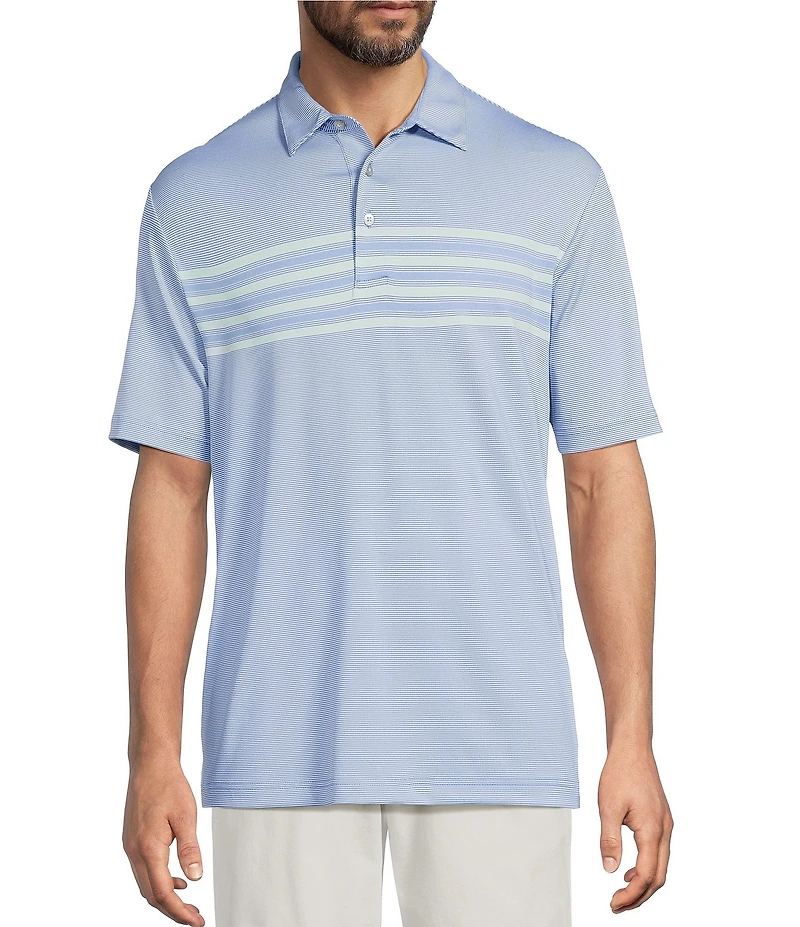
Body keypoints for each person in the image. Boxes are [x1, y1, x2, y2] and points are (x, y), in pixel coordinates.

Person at [109, 2, 674, 925]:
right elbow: (171, 485)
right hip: (279, 743)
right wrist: (151, 750)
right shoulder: (196, 202)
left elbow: (601, 478)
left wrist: (633, 736)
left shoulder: (556, 184)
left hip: (501, 741)